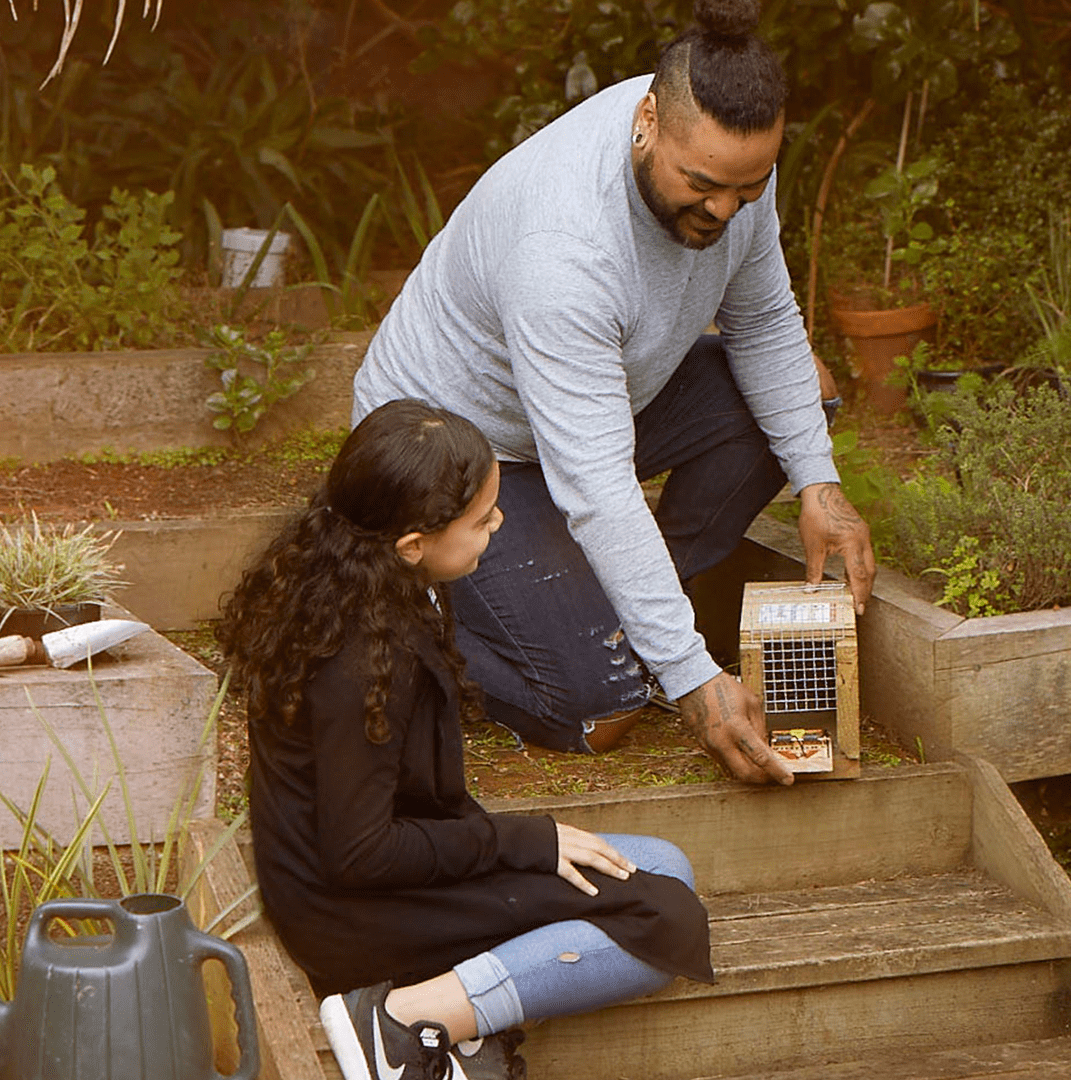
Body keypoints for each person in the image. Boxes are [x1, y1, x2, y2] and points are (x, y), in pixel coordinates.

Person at [350, 0, 876, 786]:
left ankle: (620, 607)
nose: (726, 209)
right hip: (459, 447)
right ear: (647, 119)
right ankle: (410, 612)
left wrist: (819, 484)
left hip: (598, 400)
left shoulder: (725, 149)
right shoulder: (563, 246)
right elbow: (596, 484)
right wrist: (693, 680)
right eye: (701, 186)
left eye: (749, 186)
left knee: (806, 397)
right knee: (601, 711)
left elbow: (764, 319)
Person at [218, 399, 714, 1080]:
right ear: (412, 542)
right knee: (663, 921)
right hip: (350, 909)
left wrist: (516, 847)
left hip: (397, 868)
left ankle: (464, 1014)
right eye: (482, 520)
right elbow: (360, 854)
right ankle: (398, 1026)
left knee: (662, 866)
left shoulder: (387, 581)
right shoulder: (359, 655)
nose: (499, 524)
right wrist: (525, 842)